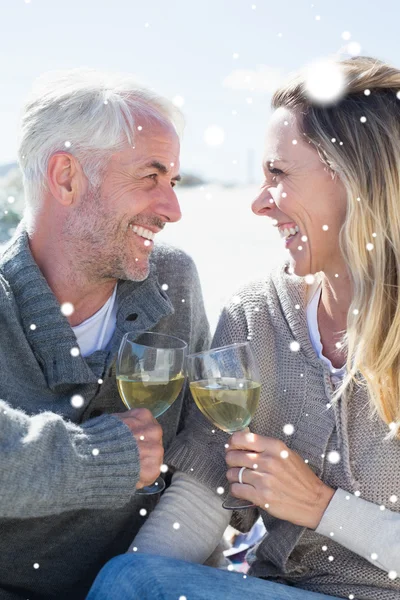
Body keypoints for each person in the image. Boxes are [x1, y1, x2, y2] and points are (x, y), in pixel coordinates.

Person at [88, 56, 400, 600]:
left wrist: (324, 508)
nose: (259, 203)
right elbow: (207, 488)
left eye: (278, 174)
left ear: (357, 178)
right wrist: (134, 586)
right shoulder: (258, 315)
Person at [0, 69, 211, 600]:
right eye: (150, 177)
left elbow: (205, 446)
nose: (172, 209)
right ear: (66, 177)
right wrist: (100, 457)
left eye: (174, 181)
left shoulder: (172, 282)